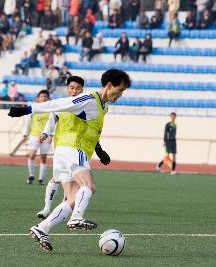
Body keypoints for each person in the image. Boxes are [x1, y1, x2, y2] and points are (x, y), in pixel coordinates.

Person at [8, 69, 131, 251]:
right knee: (89, 187)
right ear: (110, 86)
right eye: (120, 90)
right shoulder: (89, 99)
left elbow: (90, 128)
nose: (120, 94)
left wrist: (99, 149)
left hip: (65, 152)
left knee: (72, 198)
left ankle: (42, 228)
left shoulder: (103, 107)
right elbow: (61, 103)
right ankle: (76, 217)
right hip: (73, 148)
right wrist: (28, 109)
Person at [36, 76, 111, 219]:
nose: (74, 91)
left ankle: (62, 213)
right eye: (71, 88)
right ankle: (49, 209)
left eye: (78, 88)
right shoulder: (61, 105)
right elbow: (51, 122)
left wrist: (99, 149)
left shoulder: (90, 105)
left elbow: (94, 128)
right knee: (58, 180)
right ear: (67, 88)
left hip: (79, 148)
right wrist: (45, 133)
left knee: (71, 182)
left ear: (82, 89)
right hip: (64, 147)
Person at [23, 90, 52, 185]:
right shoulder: (33, 109)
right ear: (38, 98)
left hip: (46, 136)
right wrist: (25, 135)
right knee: (32, 155)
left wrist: (51, 135)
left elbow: (53, 124)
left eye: (45, 96)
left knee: (43, 158)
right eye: (41, 96)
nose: (43, 98)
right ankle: (31, 174)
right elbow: (28, 123)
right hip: (34, 136)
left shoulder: (51, 110)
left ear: (48, 98)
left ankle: (41, 179)